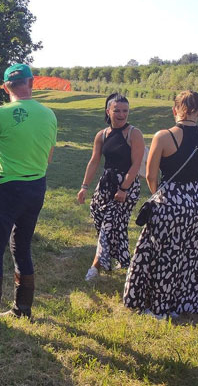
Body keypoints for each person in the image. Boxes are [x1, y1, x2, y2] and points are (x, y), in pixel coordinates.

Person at [0, 63, 57, 329]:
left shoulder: (1, 113)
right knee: (22, 245)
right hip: (36, 187)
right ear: (31, 83)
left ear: (7, 87)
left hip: (6, 187)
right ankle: (23, 309)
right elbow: (49, 156)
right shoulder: (49, 115)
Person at [124, 90, 198, 319]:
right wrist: (194, 200)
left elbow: (150, 176)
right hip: (197, 204)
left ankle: (158, 308)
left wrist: (163, 198)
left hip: (169, 201)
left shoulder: (163, 136)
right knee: (189, 256)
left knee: (162, 256)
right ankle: (183, 304)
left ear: (174, 110)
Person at [76, 93, 145, 281]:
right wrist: (84, 187)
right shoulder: (102, 135)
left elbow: (136, 164)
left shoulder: (134, 134)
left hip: (126, 185)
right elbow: (94, 161)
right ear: (108, 111)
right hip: (106, 183)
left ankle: (96, 266)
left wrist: (123, 189)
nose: (122, 114)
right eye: (117, 110)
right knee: (100, 216)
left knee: (109, 224)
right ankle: (123, 259)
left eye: (125, 111)